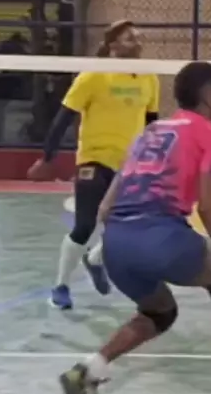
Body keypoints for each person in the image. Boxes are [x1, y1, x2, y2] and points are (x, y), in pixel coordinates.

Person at [59, 61, 211, 394]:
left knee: (160, 312)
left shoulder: (151, 132)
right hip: (161, 237)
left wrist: (106, 252)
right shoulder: (210, 135)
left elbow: (106, 208)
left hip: (117, 245)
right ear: (207, 95)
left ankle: (89, 370)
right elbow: (208, 206)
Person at [28, 20, 160, 309]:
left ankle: (96, 258)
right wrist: (47, 158)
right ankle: (60, 286)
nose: (137, 42)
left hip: (129, 164)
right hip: (94, 159)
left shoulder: (149, 78)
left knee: (132, 227)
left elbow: (151, 122)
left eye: (138, 37)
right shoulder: (93, 76)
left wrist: (154, 157)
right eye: (129, 38)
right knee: (86, 224)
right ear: (113, 45)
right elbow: (63, 118)